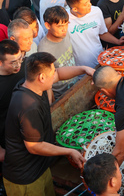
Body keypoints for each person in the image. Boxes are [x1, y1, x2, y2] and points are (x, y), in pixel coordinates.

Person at [3, 52, 93, 195]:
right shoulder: (28, 107)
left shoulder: (32, 84)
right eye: (52, 73)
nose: (55, 75)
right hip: (25, 178)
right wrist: (69, 151)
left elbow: (59, 74)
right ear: (42, 77)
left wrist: (84, 69)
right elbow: (34, 146)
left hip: (40, 167)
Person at [66, 0, 124, 68]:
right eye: (85, 4)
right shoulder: (65, 19)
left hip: (101, 61)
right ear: (75, 9)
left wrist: (117, 41)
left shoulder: (96, 11)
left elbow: (102, 33)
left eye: (88, 1)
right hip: (82, 69)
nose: (89, 5)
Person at [38, 6, 77, 100]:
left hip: (76, 85)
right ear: (47, 26)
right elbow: (47, 82)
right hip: (61, 95)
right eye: (60, 26)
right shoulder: (44, 49)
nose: (64, 29)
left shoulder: (65, 34)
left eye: (66, 24)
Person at [0, 40, 25, 162]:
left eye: (20, 59)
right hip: (7, 140)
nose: (19, 65)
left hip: (26, 130)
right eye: (13, 63)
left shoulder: (24, 66)